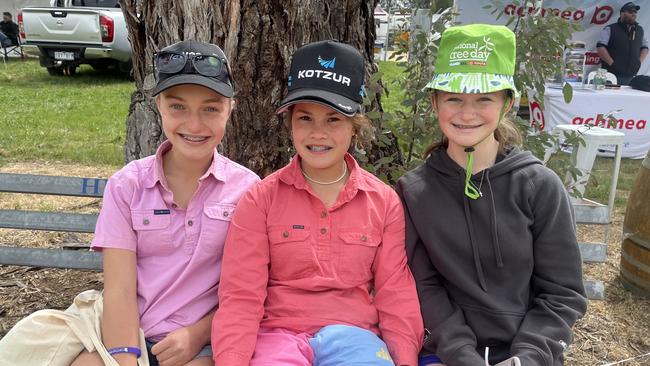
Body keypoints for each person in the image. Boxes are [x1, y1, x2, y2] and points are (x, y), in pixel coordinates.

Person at [0, 40, 259, 366]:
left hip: (202, 340)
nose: (194, 125)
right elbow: (120, 289)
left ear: (230, 108)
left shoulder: (248, 190)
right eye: (178, 106)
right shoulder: (128, 185)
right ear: (158, 105)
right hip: (126, 329)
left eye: (211, 108)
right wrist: (125, 358)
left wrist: (198, 335)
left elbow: (246, 294)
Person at [211, 40, 424, 366]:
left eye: (334, 119)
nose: (318, 133)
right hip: (277, 336)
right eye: (305, 118)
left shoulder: (382, 202)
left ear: (355, 125)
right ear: (291, 123)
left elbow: (395, 292)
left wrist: (405, 360)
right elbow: (241, 295)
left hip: (355, 338)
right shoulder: (261, 200)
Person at [396, 24, 588, 366]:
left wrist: (527, 357)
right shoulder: (413, 191)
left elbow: (562, 293)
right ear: (434, 102)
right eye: (453, 98)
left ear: (507, 104)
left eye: (484, 99)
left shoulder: (539, 186)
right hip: (445, 352)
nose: (467, 113)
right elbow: (423, 286)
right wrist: (461, 355)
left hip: (529, 354)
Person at [597, 2, 649, 85]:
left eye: (635, 12)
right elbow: (600, 47)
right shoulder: (610, 29)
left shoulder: (639, 30)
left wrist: (638, 62)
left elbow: (645, 47)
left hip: (631, 76)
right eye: (630, 12)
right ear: (622, 13)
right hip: (611, 76)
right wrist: (612, 64)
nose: (634, 14)